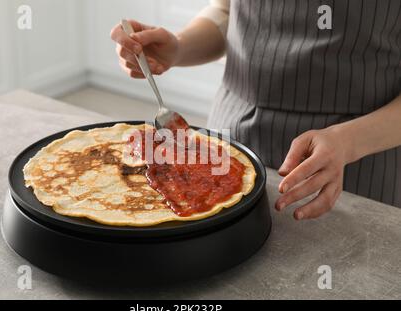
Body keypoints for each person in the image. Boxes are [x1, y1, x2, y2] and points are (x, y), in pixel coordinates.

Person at [110, 0, 401, 219]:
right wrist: (179, 47)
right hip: (232, 138)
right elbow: (228, 11)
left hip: (356, 162)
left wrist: (348, 142)